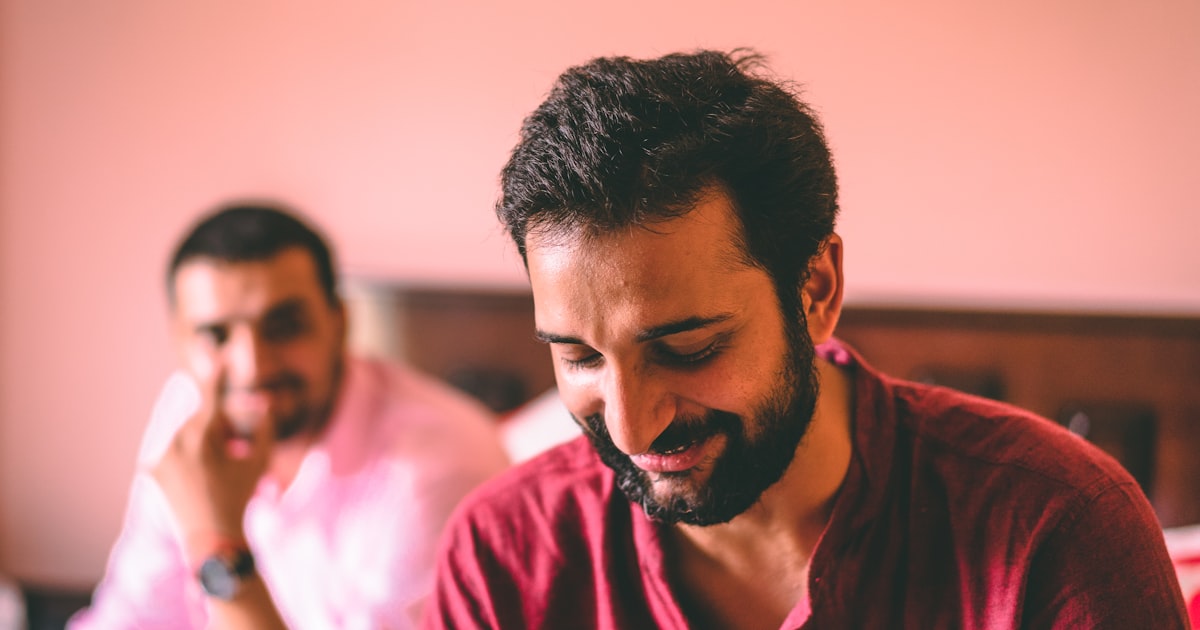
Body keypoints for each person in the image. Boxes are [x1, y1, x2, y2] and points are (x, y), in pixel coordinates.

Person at [425, 50, 1189, 628]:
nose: (631, 426)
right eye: (579, 357)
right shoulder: (504, 554)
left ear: (816, 289)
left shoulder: (1056, 528)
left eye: (687, 348)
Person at [70, 203, 510, 629]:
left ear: (339, 321)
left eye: (283, 326)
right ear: (179, 340)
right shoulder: (187, 410)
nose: (252, 368)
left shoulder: (441, 465)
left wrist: (217, 544)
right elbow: (134, 614)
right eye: (215, 335)